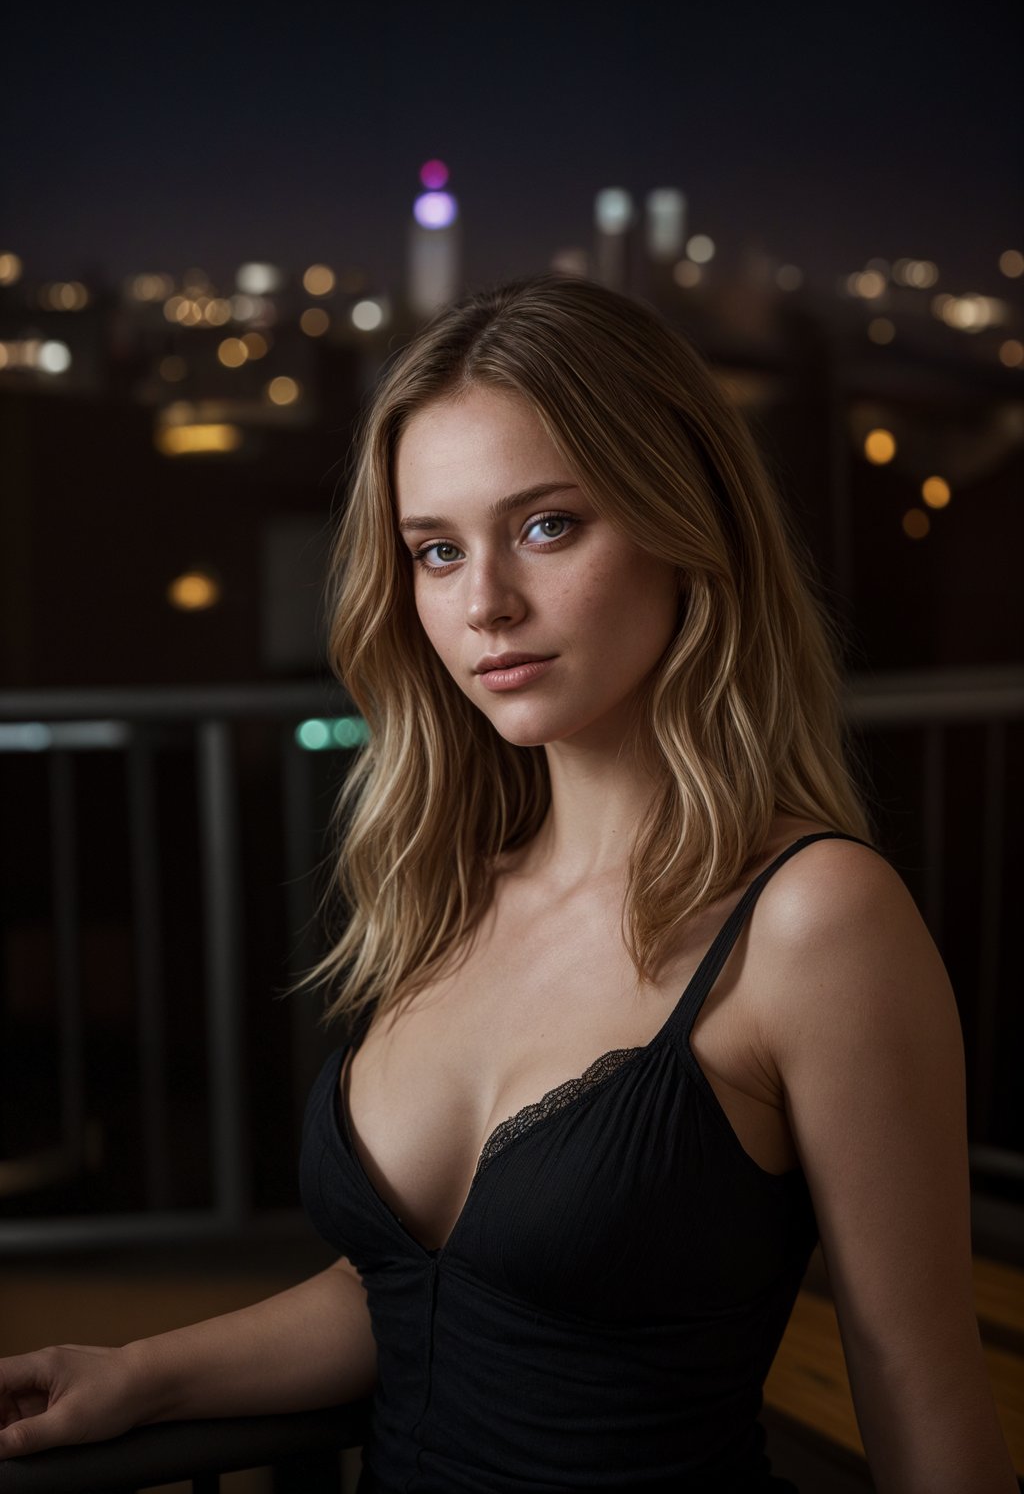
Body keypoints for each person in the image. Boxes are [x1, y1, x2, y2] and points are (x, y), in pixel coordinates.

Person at [0, 274, 1014, 1493]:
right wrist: (142, 1374)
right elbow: (427, 1294)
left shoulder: (813, 922)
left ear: (683, 522)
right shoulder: (448, 889)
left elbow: (922, 1408)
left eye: (546, 526)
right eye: (435, 550)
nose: (483, 604)